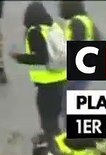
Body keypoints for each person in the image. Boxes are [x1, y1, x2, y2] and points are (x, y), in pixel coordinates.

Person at [10, 1, 66, 135]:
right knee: (54, 114)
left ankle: (51, 144)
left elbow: (41, 58)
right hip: (61, 78)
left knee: (47, 116)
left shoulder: (35, 32)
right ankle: (55, 138)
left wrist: (19, 57)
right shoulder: (54, 27)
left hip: (47, 83)